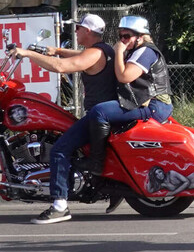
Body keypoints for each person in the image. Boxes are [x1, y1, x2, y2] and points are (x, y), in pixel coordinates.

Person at [32, 15, 173, 224]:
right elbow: (87, 56)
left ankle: (92, 168)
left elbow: (124, 76)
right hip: (146, 104)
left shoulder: (145, 52)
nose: (122, 40)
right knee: (93, 117)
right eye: (120, 36)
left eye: (126, 36)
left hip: (153, 107)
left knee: (99, 112)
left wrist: (27, 54)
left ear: (141, 37)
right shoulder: (133, 50)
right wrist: (60, 51)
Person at [9, 14, 119, 224]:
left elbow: (60, 67)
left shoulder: (94, 53)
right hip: (103, 114)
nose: (75, 31)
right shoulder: (104, 50)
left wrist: (28, 54)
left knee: (60, 149)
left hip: (97, 116)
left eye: (78, 28)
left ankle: (60, 205)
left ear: (88, 31)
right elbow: (79, 55)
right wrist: (57, 51)